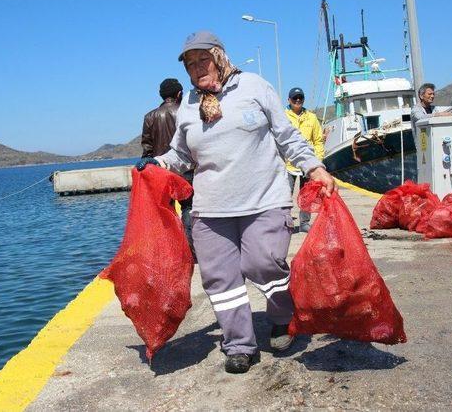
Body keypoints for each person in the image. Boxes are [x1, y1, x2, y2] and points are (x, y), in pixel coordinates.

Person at [136, 31, 336, 374]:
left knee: (263, 262)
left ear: (219, 57)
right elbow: (182, 153)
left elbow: (287, 136)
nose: (197, 69)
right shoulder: (188, 104)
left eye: (203, 60)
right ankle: (239, 343)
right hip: (211, 208)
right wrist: (159, 164)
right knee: (219, 278)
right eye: (190, 64)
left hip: (264, 199)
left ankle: (281, 317)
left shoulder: (255, 87)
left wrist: (314, 167)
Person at [141, 79, 194, 254]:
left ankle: (172, 250)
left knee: (166, 210)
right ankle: (191, 249)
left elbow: (147, 149)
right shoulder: (185, 113)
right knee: (188, 207)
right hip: (186, 170)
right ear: (179, 94)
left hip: (161, 172)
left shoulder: (150, 117)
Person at [285, 87, 324, 232]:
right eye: (294, 98)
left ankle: (304, 223)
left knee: (307, 195)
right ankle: (285, 222)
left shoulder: (312, 117)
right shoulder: (283, 116)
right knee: (284, 195)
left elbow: (318, 140)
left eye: (300, 98)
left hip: (307, 164)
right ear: (288, 100)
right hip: (288, 164)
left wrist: (317, 161)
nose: (297, 100)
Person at [411, 83, 452, 152]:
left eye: (433, 94)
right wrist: (438, 115)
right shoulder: (415, 110)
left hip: (436, 146)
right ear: (421, 96)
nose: (432, 96)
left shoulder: (434, 109)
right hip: (423, 148)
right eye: (429, 94)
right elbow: (420, 117)